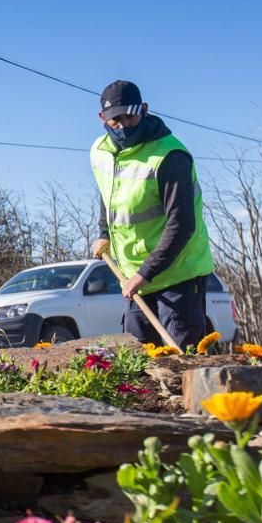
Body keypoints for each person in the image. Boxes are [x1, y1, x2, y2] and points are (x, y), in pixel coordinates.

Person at [89, 80, 215, 349]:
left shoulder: (169, 156)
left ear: (144, 110)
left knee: (183, 360)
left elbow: (181, 225)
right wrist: (103, 232)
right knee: (137, 360)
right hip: (137, 281)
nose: (123, 126)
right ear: (102, 118)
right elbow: (107, 190)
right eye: (115, 121)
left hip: (179, 275)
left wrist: (144, 273)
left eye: (130, 117)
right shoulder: (100, 152)